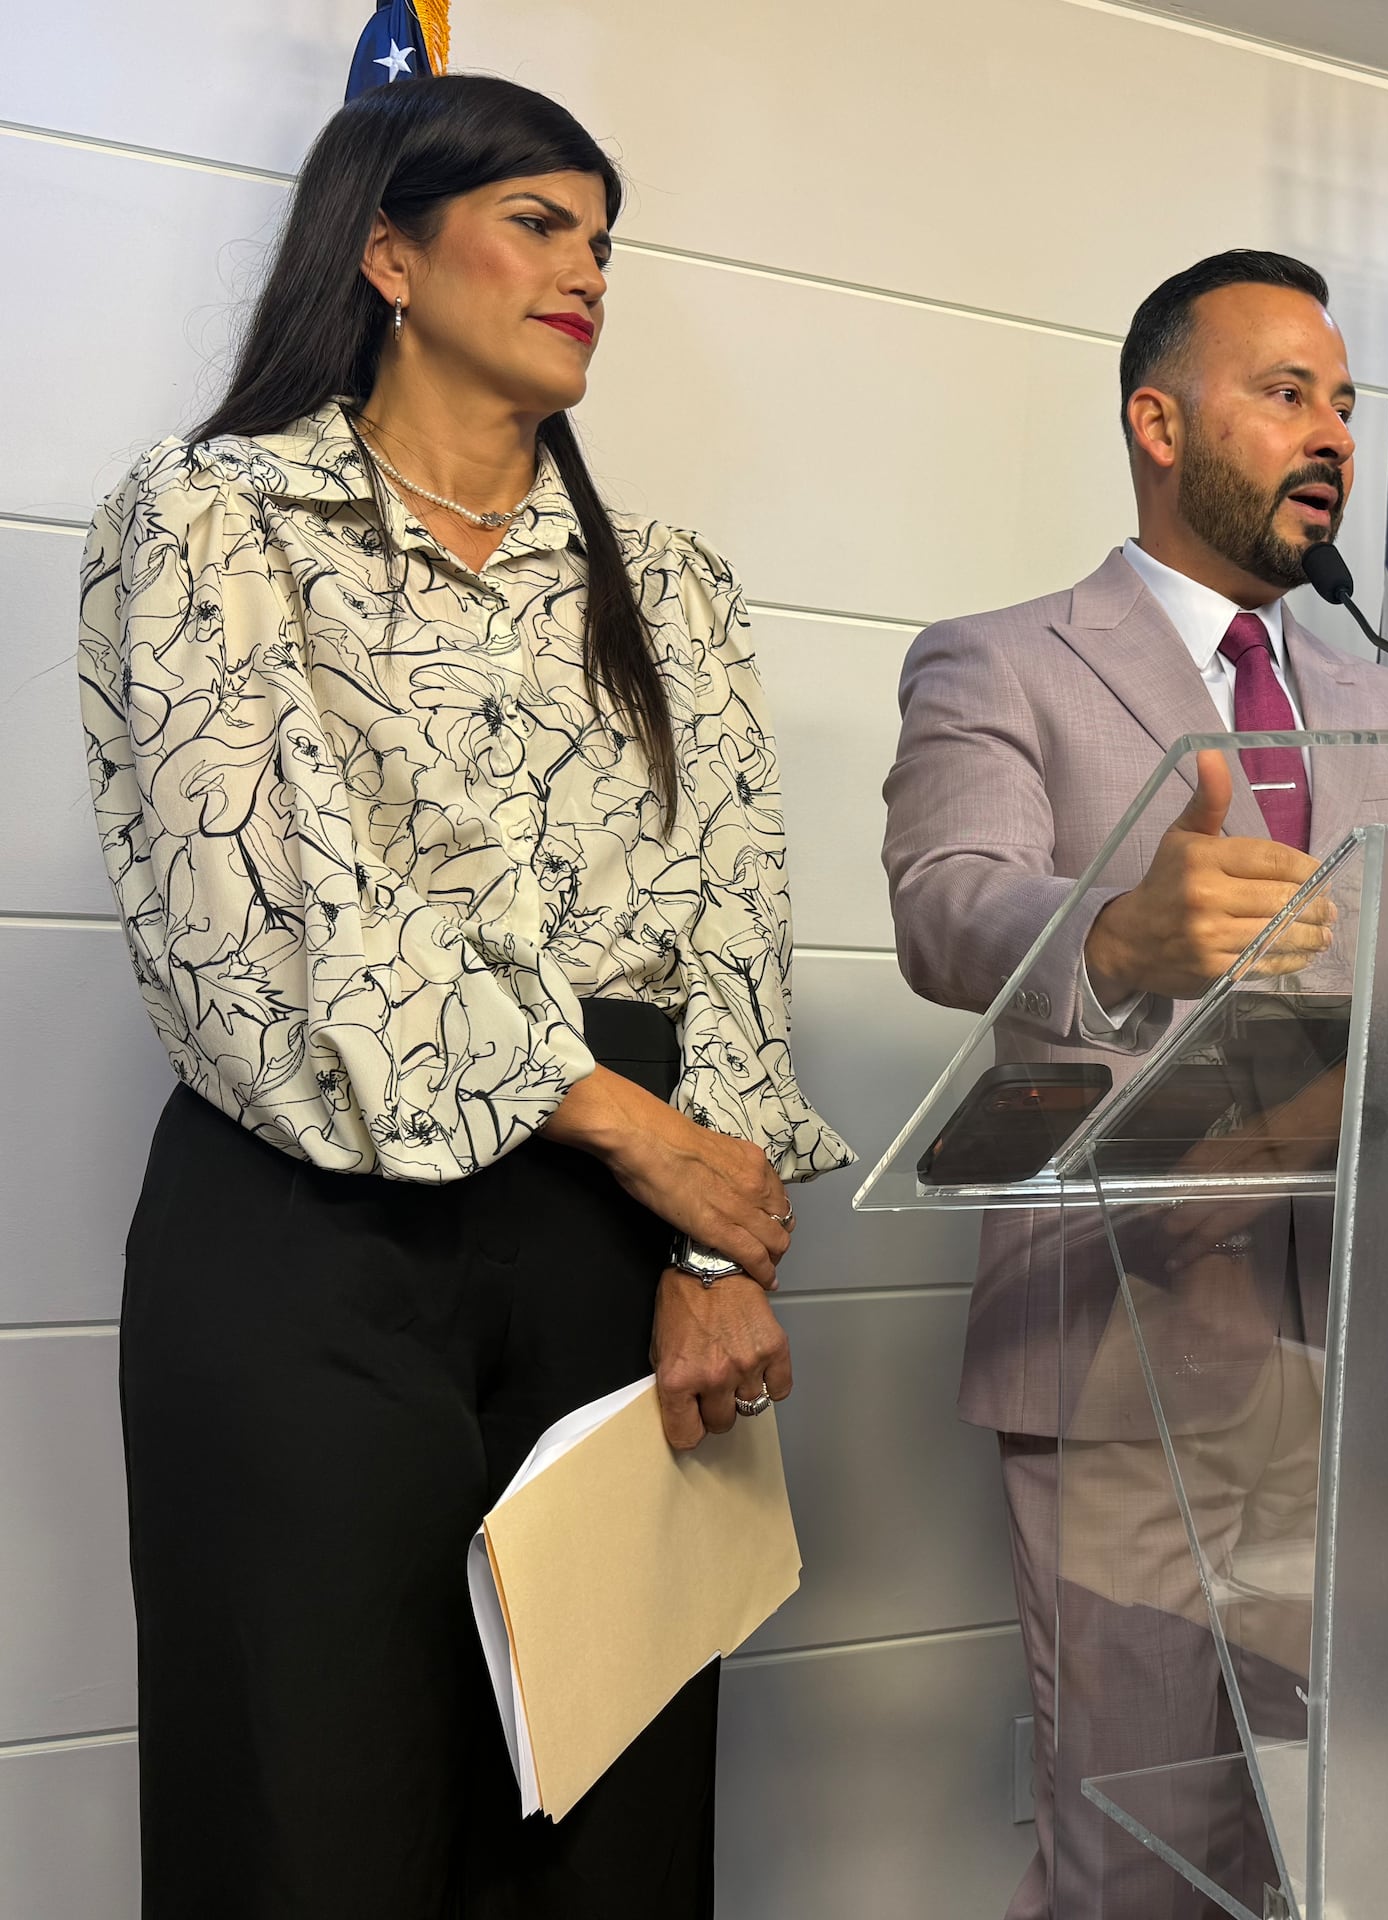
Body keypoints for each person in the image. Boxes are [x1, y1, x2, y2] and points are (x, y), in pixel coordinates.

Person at [78, 76, 846, 1918]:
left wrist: (714, 1252)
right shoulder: (215, 520)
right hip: (311, 1241)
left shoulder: (670, 586)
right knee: (314, 1816)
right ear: (388, 252)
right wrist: (635, 1134)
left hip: (625, 1259)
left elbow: (736, 924)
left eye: (605, 238)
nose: (588, 270)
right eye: (539, 223)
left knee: (611, 1833)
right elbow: (275, 920)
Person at [882, 249, 1388, 1920]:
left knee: (1328, 1847)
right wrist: (1124, 934)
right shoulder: (1001, 659)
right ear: (1158, 422)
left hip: (1367, 1353)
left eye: (1347, 406)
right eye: (1285, 392)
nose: (1333, 437)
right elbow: (949, 900)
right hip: (1125, 1340)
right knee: (1139, 1853)